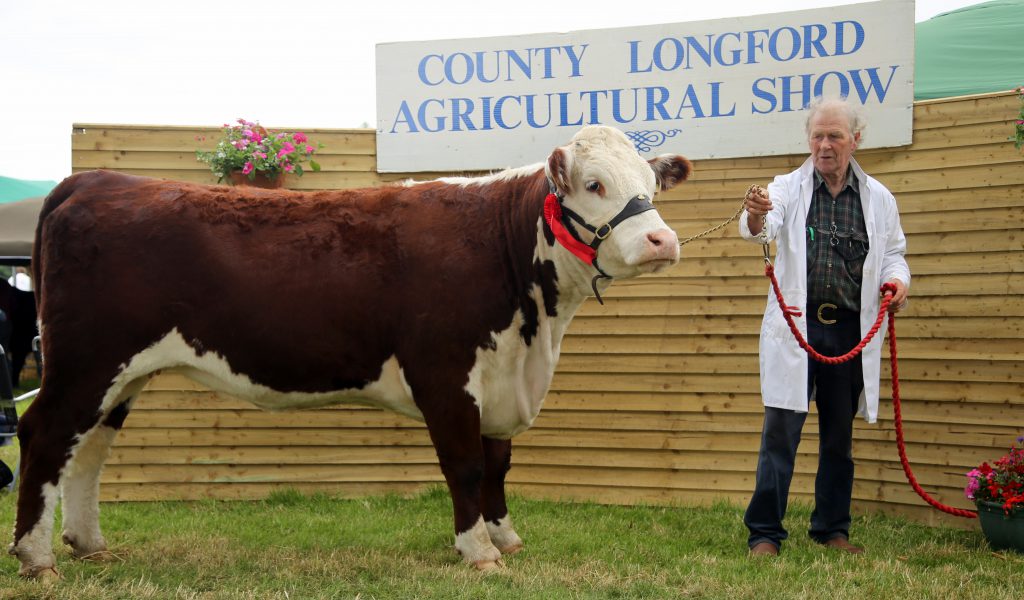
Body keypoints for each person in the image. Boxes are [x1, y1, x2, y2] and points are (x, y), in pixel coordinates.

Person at [738, 97, 910, 556]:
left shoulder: (879, 198)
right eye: (817, 135)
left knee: (839, 436)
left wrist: (897, 281)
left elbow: (894, 254)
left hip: (849, 332)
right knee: (781, 434)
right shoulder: (787, 188)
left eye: (835, 135)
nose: (824, 145)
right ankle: (765, 533)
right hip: (799, 330)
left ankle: (832, 529)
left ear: (856, 139)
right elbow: (761, 226)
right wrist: (755, 213)